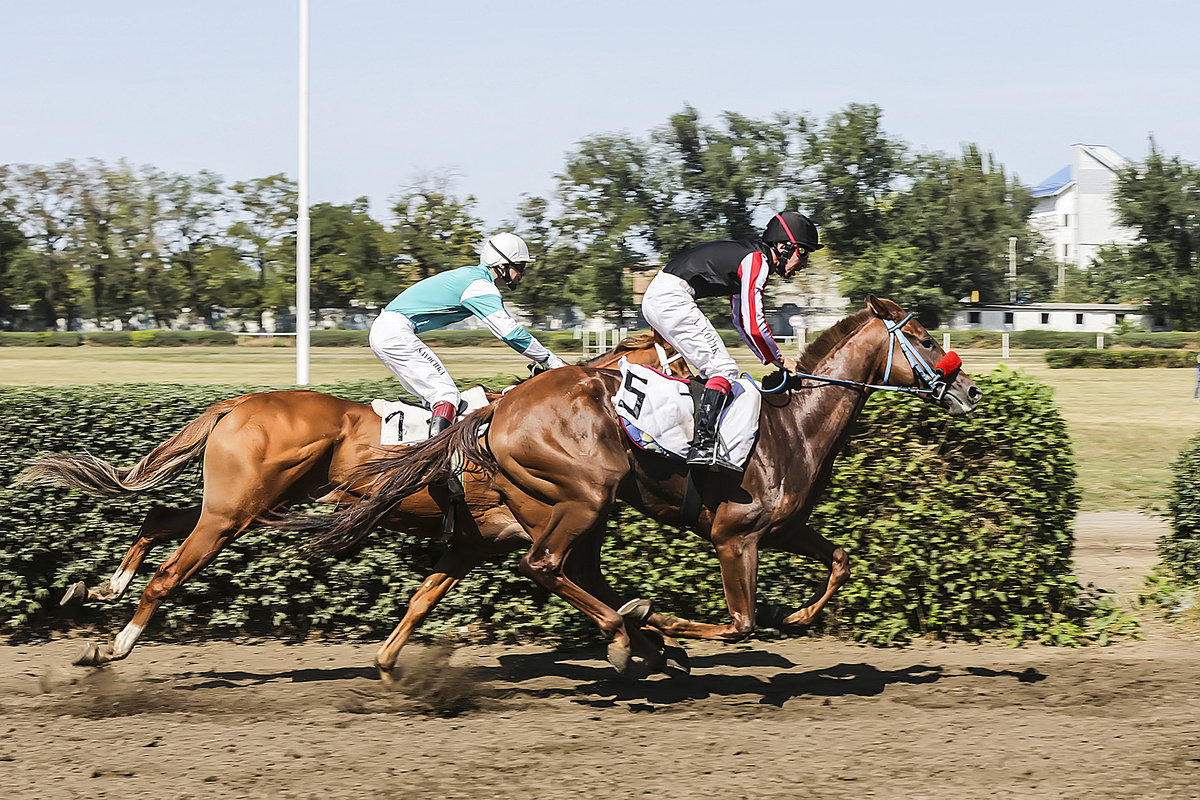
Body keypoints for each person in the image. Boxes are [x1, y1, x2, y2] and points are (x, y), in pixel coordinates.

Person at [640, 211, 822, 470]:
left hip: (662, 296)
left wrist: (769, 358)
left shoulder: (753, 258)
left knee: (713, 369)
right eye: (802, 252)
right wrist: (779, 359)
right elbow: (753, 322)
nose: (804, 263)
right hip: (670, 297)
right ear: (783, 246)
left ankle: (691, 431)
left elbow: (739, 319)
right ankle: (702, 446)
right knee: (724, 369)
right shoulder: (757, 260)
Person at [370, 232, 566, 437]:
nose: (524, 273)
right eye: (520, 266)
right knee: (446, 395)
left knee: (432, 399)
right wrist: (548, 359)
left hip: (387, 329)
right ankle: (435, 458)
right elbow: (510, 333)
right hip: (393, 331)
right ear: (502, 266)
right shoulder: (480, 287)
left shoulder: (473, 277)